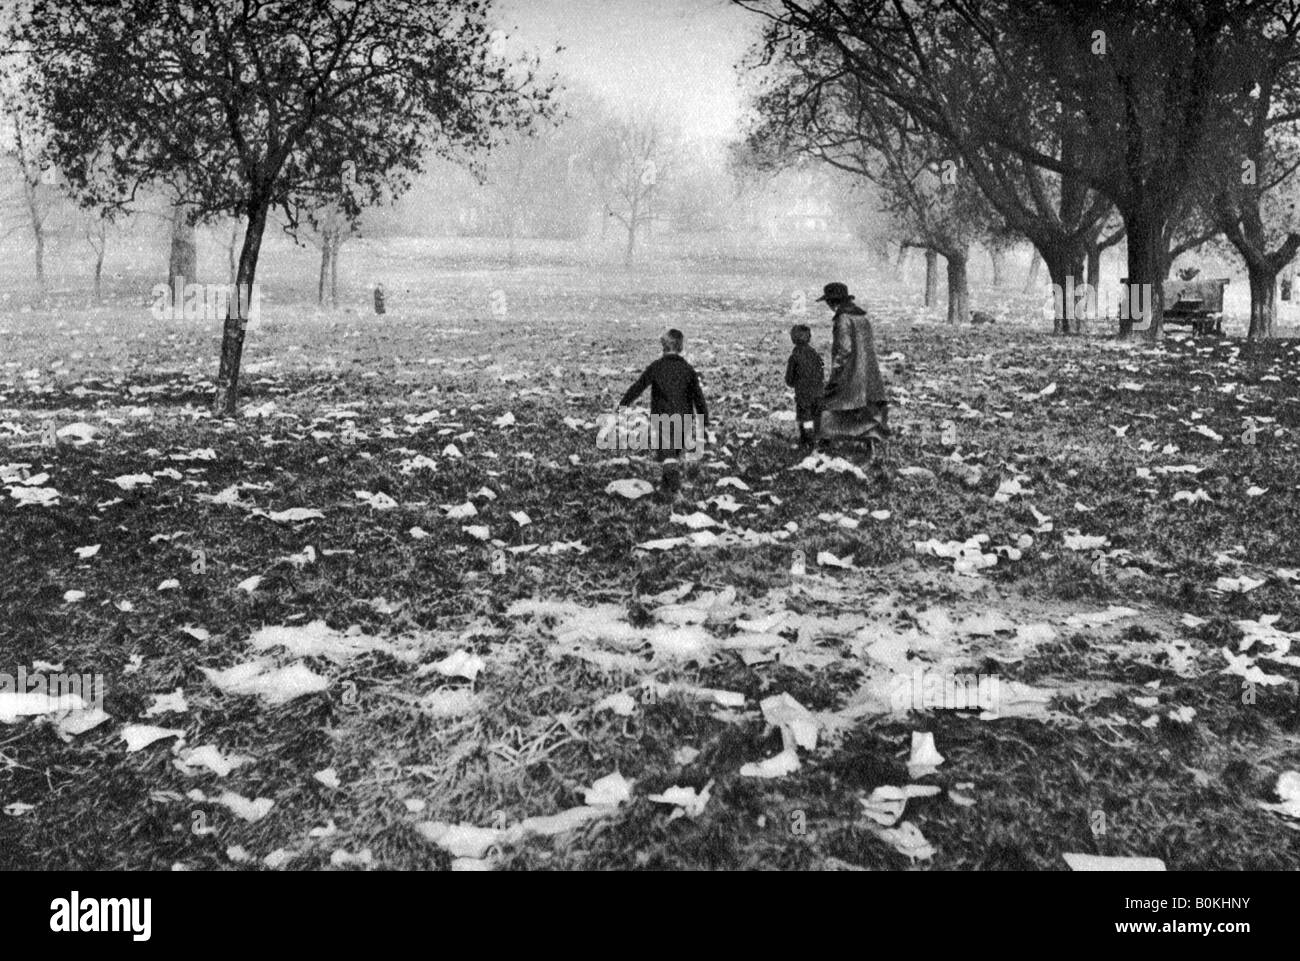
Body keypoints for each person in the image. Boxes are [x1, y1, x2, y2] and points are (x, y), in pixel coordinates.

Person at [618, 328, 710, 495]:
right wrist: (705, 421)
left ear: (663, 346)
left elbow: (638, 387)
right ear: (680, 346)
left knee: (667, 455)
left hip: (662, 418)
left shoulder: (656, 367)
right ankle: (667, 490)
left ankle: (675, 492)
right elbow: (698, 397)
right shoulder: (687, 369)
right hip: (684, 419)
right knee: (673, 454)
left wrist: (623, 404)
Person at [817, 282, 889, 452]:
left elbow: (844, 349)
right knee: (866, 406)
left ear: (832, 302)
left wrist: (836, 372)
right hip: (868, 372)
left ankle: (827, 441)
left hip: (850, 372)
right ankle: (869, 440)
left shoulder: (843, 319)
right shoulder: (862, 318)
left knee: (832, 402)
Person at [785, 324, 824, 449]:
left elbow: (789, 380)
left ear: (793, 339)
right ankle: (819, 441)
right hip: (818, 393)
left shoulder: (794, 357)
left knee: (804, 418)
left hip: (803, 395)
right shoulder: (815, 355)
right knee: (816, 417)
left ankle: (806, 442)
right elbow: (821, 373)